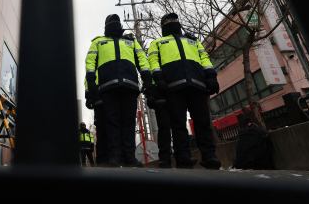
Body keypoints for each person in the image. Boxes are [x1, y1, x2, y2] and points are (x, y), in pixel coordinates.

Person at [147, 13, 222, 169]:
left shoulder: (193, 40)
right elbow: (153, 62)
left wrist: (211, 77)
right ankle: (183, 157)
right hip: (173, 87)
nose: (172, 22)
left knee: (202, 123)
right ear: (162, 26)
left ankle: (209, 156)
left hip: (198, 85)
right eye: (168, 20)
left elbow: (205, 59)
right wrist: (159, 79)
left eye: (174, 20)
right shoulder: (157, 43)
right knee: (178, 124)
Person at [85, 14, 152, 167]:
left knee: (128, 122)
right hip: (108, 88)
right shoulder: (98, 42)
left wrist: (147, 77)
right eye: (111, 21)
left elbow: (142, 59)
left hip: (129, 86)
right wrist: (90, 82)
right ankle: (115, 155)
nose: (114, 23)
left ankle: (129, 155)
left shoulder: (131, 41)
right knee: (112, 122)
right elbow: (90, 62)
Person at [144, 82, 173, 168]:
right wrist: (149, 94)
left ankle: (182, 155)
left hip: (173, 93)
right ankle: (165, 158)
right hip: (159, 95)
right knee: (164, 127)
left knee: (177, 126)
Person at [84, 77, 108, 166]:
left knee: (110, 130)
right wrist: (88, 97)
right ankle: (102, 158)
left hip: (108, 99)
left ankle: (110, 156)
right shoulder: (92, 69)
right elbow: (87, 81)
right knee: (102, 131)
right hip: (98, 101)